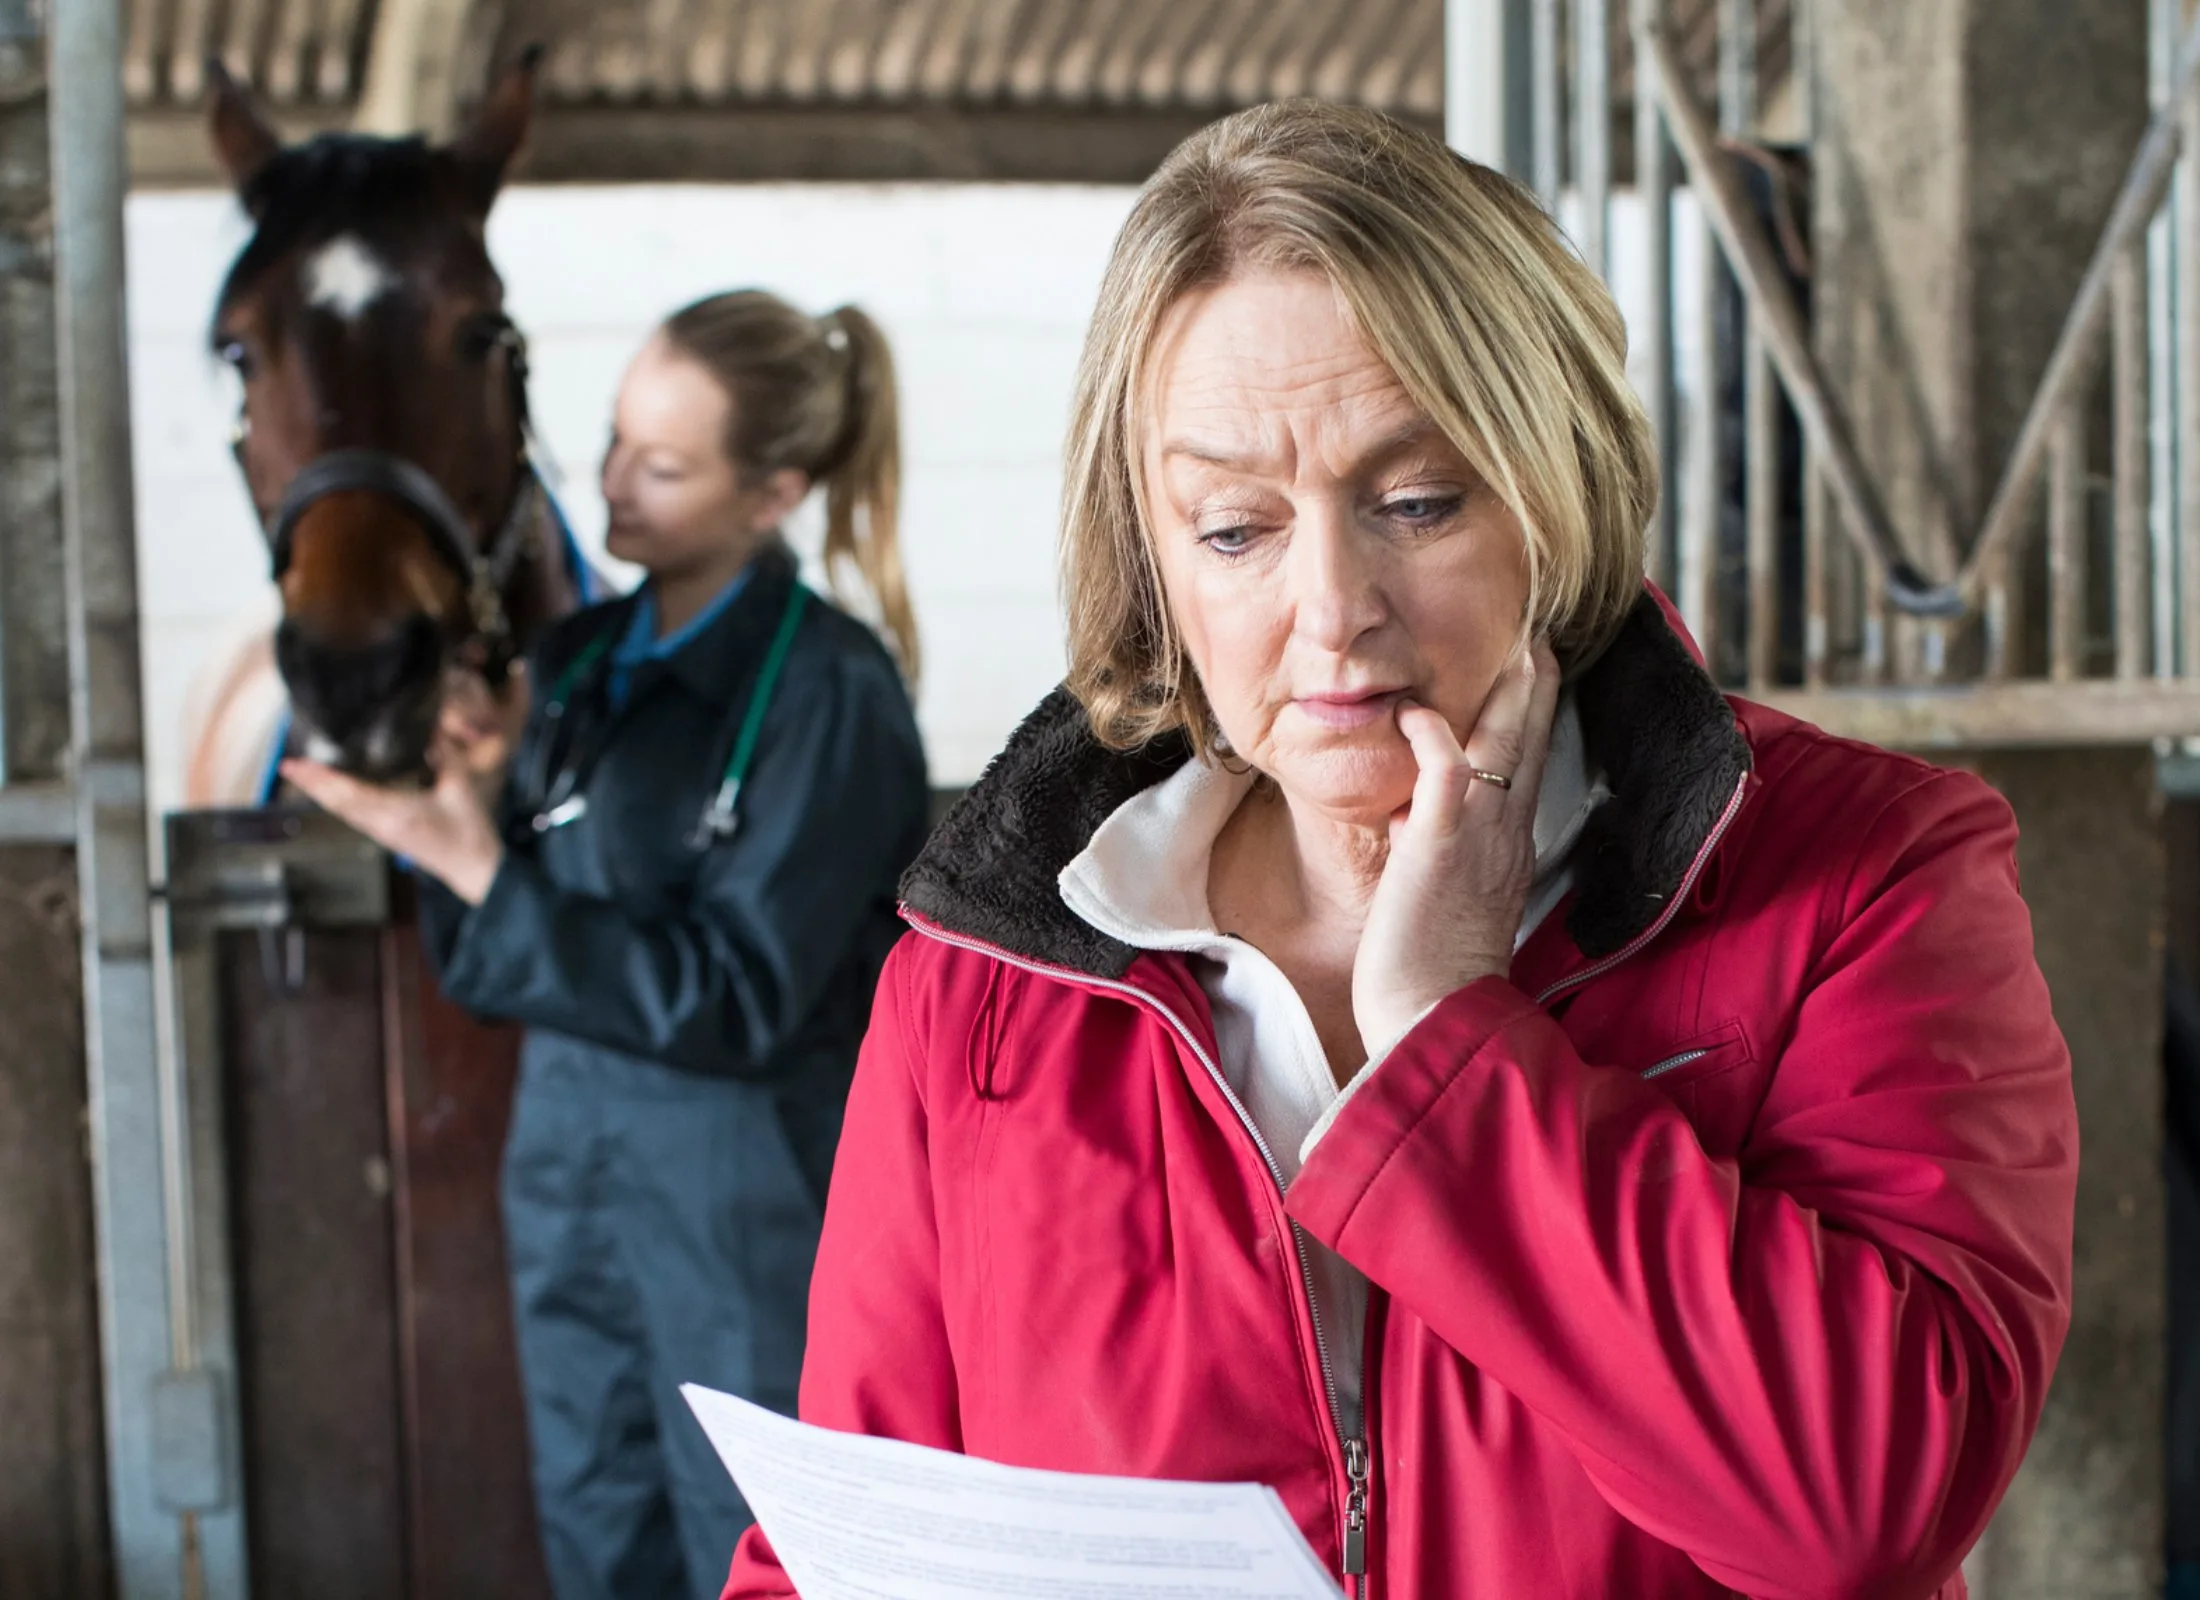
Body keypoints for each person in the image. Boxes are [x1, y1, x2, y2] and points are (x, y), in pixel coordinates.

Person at [723, 103, 2076, 1600]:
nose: (1332, 609)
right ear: (1152, 559)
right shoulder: (981, 983)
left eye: (1416, 502)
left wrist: (1446, 1029)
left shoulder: (1869, 877)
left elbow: (1864, 1512)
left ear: (1553, 496)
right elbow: (843, 1547)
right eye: (1234, 529)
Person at [286, 290, 930, 1600]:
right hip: (567, 1175)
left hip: (744, 1201)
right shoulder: (567, 666)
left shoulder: (828, 690)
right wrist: (458, 818)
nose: (612, 483)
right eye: (617, 440)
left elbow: (750, 997)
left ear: (773, 493)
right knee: (593, 1524)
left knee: (757, 1546)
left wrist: (475, 864)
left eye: (668, 464)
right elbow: (486, 962)